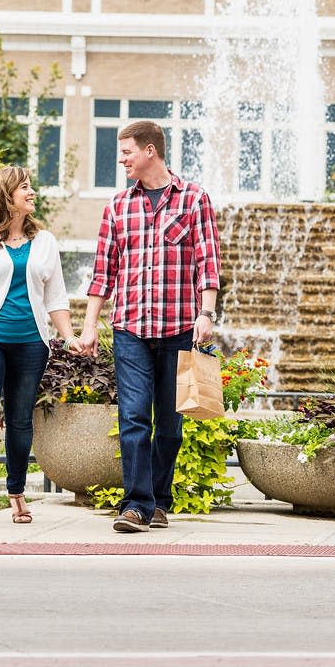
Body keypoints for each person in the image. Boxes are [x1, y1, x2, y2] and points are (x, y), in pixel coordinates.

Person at [79, 121, 221, 532]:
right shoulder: (118, 206)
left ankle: (160, 500)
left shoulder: (193, 199)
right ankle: (136, 505)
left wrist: (206, 313)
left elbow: (207, 262)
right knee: (135, 417)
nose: (121, 159)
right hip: (130, 329)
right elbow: (102, 273)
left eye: (126, 152)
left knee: (170, 426)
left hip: (179, 327)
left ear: (150, 152)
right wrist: (90, 326)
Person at [0, 165, 77, 530]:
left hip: (30, 344)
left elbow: (56, 297)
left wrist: (68, 336)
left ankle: (17, 492)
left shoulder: (45, 242)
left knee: (21, 422)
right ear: (6, 195)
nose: (32, 192)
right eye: (25, 187)